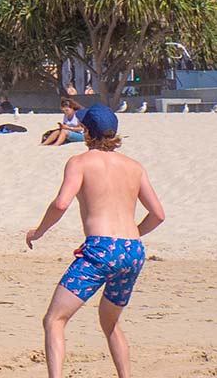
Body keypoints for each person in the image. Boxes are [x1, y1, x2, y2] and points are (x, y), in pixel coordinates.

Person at [25, 106, 165, 378]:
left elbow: (61, 203)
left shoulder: (80, 162)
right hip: (133, 251)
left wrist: (39, 231)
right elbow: (158, 215)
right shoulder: (134, 167)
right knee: (110, 323)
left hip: (101, 249)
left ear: (86, 132)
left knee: (54, 320)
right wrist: (130, 234)